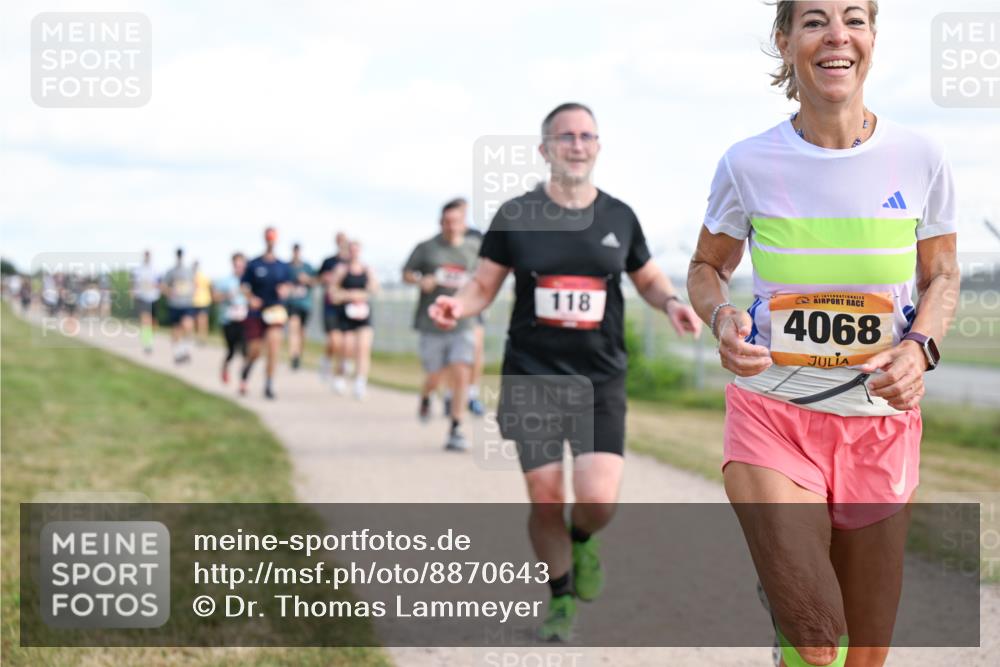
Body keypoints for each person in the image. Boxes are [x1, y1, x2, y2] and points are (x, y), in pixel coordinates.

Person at [686, 3, 959, 666]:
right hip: (774, 413)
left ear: (871, 38)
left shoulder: (920, 157)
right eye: (814, 20)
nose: (837, 34)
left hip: (878, 423)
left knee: (860, 656)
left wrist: (919, 346)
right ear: (785, 43)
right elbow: (706, 268)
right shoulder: (747, 162)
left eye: (853, 19)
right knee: (816, 631)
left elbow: (943, 275)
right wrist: (722, 317)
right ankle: (793, 606)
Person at [428, 102, 701, 641]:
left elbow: (646, 278)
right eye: (565, 136)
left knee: (598, 499)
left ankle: (581, 541)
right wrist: (456, 305)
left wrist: (671, 303)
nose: (577, 145)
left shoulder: (619, 216)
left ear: (597, 147)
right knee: (547, 495)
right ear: (545, 149)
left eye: (587, 136)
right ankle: (560, 599)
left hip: (599, 378)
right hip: (533, 375)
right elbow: (483, 283)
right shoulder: (515, 215)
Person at [403, 197, 482, 449]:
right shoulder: (426, 248)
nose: (451, 226)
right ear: (440, 222)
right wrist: (420, 280)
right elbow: (406, 273)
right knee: (435, 376)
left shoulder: (473, 248)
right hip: (432, 323)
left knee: (461, 371)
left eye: (456, 221)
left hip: (463, 322)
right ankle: (426, 396)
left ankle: (456, 428)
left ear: (463, 223)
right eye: (447, 221)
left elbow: (483, 278)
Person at [241, 227, 293, 399]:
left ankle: (269, 383)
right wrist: (251, 298)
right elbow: (244, 286)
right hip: (257, 312)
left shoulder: (283, 266)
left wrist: (285, 289)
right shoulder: (254, 264)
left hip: (275, 311)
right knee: (255, 350)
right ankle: (246, 370)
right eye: (268, 238)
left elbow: (289, 284)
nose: (271, 241)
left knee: (273, 347)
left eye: (273, 238)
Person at [329, 240, 379, 399]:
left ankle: (360, 382)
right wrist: (348, 295)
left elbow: (374, 288)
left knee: (364, 348)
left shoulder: (367, 269)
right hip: (346, 315)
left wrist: (362, 294)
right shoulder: (341, 269)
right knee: (346, 348)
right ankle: (339, 374)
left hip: (363, 314)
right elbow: (333, 293)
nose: (354, 253)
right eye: (351, 250)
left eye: (357, 250)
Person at [318, 231, 351, 388]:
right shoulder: (328, 261)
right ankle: (327, 360)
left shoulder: (352, 262)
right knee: (334, 342)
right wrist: (324, 279)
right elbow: (317, 279)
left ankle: (339, 376)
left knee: (346, 344)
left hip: (346, 307)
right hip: (330, 305)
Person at [214, 253, 248, 388]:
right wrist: (228, 295)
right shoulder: (225, 281)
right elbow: (215, 298)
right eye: (236, 265)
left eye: (241, 265)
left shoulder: (248, 281)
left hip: (244, 320)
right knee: (231, 351)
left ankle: (243, 380)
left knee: (246, 351)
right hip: (228, 320)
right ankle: (225, 369)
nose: (239, 268)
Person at [161, 248, 196, 364]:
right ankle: (178, 353)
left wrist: (193, 292)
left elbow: (194, 285)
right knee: (176, 329)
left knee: (188, 325)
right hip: (175, 304)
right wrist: (170, 292)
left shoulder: (189, 271)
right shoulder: (171, 271)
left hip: (187, 303)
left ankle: (186, 350)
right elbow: (163, 286)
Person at [285, 242, 316, 370]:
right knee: (293, 328)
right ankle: (294, 356)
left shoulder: (308, 267)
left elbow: (315, 282)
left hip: (305, 304)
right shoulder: (287, 267)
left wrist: (306, 280)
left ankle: (299, 354)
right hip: (292, 304)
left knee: (302, 332)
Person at [131, 250, 160, 353]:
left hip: (154, 297)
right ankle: (147, 342)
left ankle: (149, 337)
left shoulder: (155, 270)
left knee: (153, 322)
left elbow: (159, 283)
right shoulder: (138, 270)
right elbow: (134, 283)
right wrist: (133, 293)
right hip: (142, 297)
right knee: (145, 320)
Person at [191, 261, 213, 345]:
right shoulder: (201, 275)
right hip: (197, 301)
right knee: (199, 321)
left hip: (203, 300)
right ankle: (201, 338)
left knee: (202, 321)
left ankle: (202, 338)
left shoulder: (200, 276)